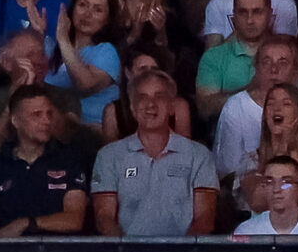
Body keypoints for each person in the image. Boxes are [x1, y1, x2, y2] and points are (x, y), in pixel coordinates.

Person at [91, 68, 220, 237]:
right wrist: (127, 250)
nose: (150, 104)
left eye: (159, 96)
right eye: (142, 97)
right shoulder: (109, 156)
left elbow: (204, 220)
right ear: (132, 108)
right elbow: (104, 218)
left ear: (172, 106)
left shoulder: (199, 155)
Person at [0, 86, 90, 236]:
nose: (46, 120)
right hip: (6, 249)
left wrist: (26, 223)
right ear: (15, 121)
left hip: (57, 249)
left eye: (49, 114)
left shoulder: (69, 159)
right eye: (37, 115)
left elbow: (74, 219)